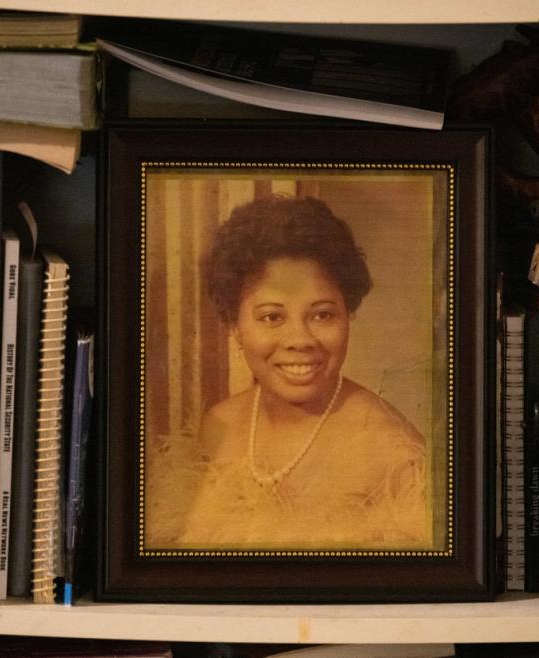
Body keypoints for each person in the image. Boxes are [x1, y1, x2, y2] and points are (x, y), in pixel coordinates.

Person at [144, 194, 434, 551]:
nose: (299, 340)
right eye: (272, 317)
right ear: (235, 325)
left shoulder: (393, 452)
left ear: (348, 316)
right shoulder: (219, 426)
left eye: (322, 314)